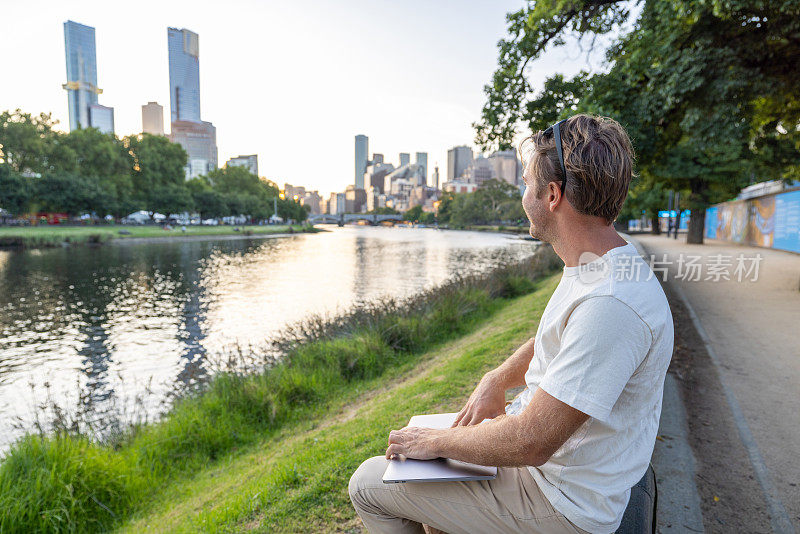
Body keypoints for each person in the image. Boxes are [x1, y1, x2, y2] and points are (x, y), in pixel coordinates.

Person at [348, 114, 674, 534]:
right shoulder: (599, 266)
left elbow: (532, 441)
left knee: (370, 484)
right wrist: (497, 378)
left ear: (552, 195)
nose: (524, 196)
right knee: (431, 499)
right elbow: (554, 341)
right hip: (554, 476)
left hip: (564, 504)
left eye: (526, 183)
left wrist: (434, 442)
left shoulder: (610, 304)